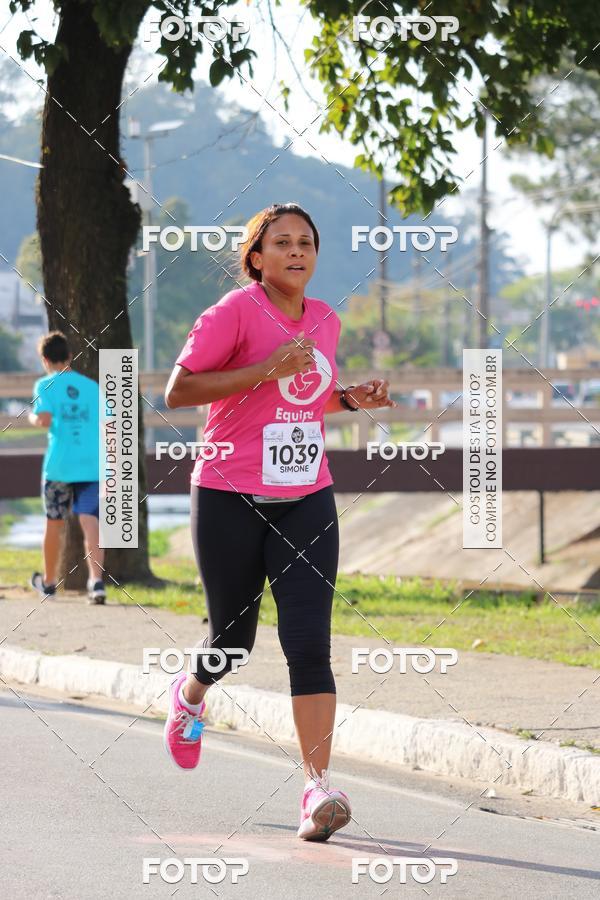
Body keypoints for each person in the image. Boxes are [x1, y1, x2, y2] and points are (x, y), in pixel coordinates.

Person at [163, 203, 396, 841]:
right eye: (282, 243)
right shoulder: (232, 313)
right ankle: (191, 694)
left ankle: (316, 789)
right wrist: (268, 366)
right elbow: (179, 391)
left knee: (308, 644)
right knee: (233, 642)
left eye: (307, 243)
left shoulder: (326, 319)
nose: (297, 252)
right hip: (229, 493)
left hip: (305, 497)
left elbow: (304, 393)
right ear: (256, 258)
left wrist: (348, 398)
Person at [29, 331, 106, 604]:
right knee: (90, 521)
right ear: (70, 356)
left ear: (45, 359)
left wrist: (32, 417)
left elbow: (45, 420)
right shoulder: (91, 386)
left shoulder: (44, 385)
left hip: (59, 467)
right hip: (91, 465)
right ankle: (96, 582)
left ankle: (49, 583)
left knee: (54, 522)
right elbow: (106, 422)